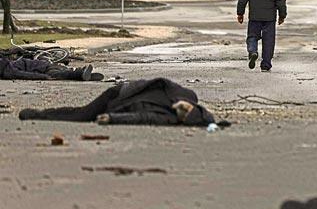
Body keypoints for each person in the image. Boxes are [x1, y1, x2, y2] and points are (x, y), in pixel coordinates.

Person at [18, 78, 222, 126]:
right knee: (82, 114)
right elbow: (161, 81)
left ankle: (37, 114)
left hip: (118, 107)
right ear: (192, 106)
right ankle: (37, 114)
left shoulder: (171, 119)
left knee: (83, 116)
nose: (181, 113)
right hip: (119, 93)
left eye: (183, 116)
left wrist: (113, 118)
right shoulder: (186, 93)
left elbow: (142, 118)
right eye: (185, 110)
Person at [237, 0, 287, 72]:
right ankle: (266, 64)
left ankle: (253, 51)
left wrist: (240, 13)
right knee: (268, 40)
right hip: (269, 18)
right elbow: (281, 1)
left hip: (254, 17)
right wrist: (282, 16)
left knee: (252, 37)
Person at [0, 57, 102, 81]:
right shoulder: (11, 64)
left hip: (46, 69)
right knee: (62, 72)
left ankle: (80, 73)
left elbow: (24, 75)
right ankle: (82, 74)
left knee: (57, 75)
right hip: (48, 65)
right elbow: (24, 74)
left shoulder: (7, 70)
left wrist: (43, 77)